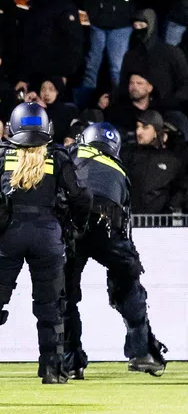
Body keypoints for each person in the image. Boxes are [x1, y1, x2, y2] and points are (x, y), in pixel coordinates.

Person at [0, 102, 91, 383]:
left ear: (12, 128)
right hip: (48, 237)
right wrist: (76, 226)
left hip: (6, 238)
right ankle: (52, 369)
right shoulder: (58, 156)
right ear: (47, 128)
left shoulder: (1, 155)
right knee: (51, 306)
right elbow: (81, 197)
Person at [65, 122, 167, 379]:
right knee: (129, 286)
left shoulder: (73, 153)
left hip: (74, 224)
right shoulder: (121, 170)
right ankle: (141, 352)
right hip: (109, 226)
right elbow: (126, 219)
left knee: (64, 295)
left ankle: (71, 361)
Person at [123, 111, 188, 213]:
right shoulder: (128, 155)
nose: (138, 132)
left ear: (156, 131)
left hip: (160, 224)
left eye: (145, 127)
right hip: (131, 221)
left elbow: (180, 188)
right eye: (137, 127)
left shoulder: (172, 160)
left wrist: (171, 208)